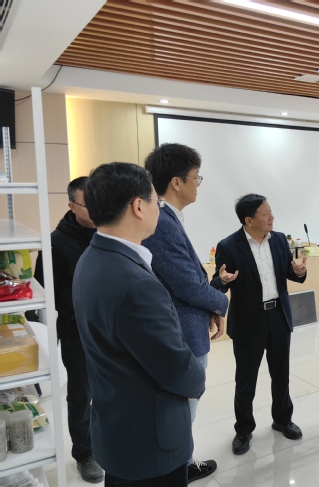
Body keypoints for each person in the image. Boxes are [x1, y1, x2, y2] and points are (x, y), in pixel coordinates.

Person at [72, 162, 206, 486]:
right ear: (138, 207)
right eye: (155, 201)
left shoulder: (91, 258)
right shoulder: (136, 283)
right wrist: (196, 382)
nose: (159, 208)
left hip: (117, 428)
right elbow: (176, 369)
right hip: (151, 442)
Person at [142, 143, 228, 482]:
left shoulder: (169, 218)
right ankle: (179, 469)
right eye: (196, 178)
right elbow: (187, 285)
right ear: (177, 182)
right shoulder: (162, 223)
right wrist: (220, 303)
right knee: (182, 409)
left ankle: (182, 462)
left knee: (184, 409)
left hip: (187, 325)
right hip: (182, 334)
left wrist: (210, 305)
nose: (198, 184)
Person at [210, 194, 307, 455]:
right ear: (249, 220)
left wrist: (299, 272)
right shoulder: (229, 245)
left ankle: (283, 419)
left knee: (281, 373)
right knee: (246, 380)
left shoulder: (279, 240)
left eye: (271, 212)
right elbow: (218, 282)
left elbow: (289, 272)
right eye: (266, 214)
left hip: (278, 316)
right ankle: (243, 430)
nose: (272, 217)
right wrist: (223, 280)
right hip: (248, 321)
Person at [33, 177, 103, 483]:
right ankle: (84, 453)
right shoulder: (55, 243)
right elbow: (42, 293)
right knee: (81, 394)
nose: (97, 209)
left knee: (113, 389)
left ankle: (109, 441)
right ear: (72, 205)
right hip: (78, 332)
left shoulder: (109, 231)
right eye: (89, 204)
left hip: (111, 329)